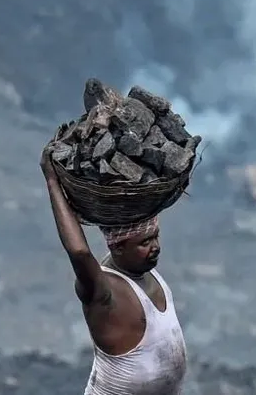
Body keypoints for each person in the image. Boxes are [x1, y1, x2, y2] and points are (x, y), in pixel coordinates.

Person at [40, 146, 188, 395]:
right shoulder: (104, 292)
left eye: (155, 237)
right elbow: (79, 253)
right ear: (118, 247)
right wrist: (53, 181)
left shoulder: (150, 275)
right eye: (144, 242)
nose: (156, 247)